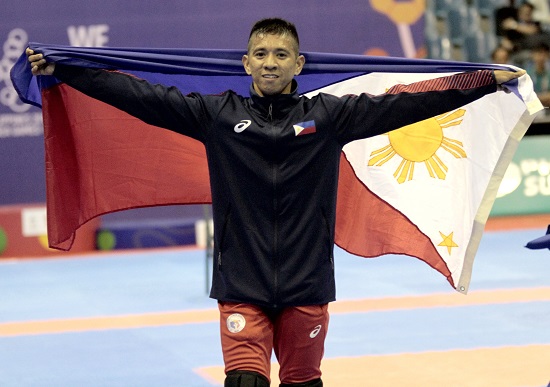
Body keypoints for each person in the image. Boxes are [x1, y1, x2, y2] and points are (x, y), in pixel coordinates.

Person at [27, 18, 524, 387]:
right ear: (246, 63)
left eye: (281, 54)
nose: (270, 62)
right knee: (244, 383)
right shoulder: (215, 116)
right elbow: (141, 96)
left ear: (298, 65)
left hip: (307, 284)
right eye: (260, 53)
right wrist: (66, 70)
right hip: (241, 283)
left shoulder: (329, 117)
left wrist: (482, 80)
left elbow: (407, 102)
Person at [526, 42, 550, 107]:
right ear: (533, 55)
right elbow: (525, 97)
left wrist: (535, 98)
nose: (541, 57)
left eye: (544, 54)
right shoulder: (527, 73)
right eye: (538, 53)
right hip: (532, 109)